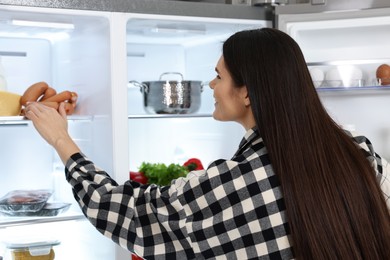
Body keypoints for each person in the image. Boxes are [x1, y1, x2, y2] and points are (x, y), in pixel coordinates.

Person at [25, 28, 390, 259]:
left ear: (247, 92)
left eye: (219, 76)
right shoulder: (358, 151)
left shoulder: (234, 186)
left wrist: (61, 139)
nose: (212, 85)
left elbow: (121, 213)